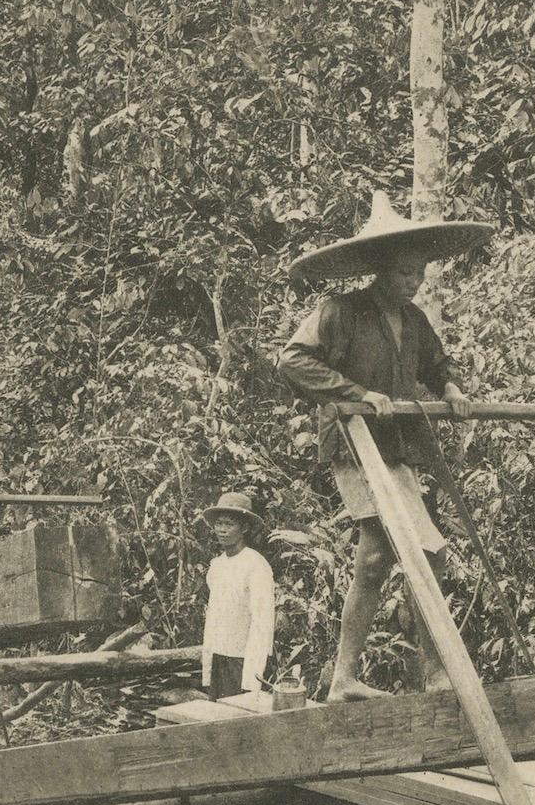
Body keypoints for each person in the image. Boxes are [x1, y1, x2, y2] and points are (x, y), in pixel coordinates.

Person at [276, 192, 495, 698]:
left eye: (418, 273)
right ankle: (352, 677)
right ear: (379, 270)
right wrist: (356, 394)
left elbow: (437, 365)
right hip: (355, 446)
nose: (412, 282)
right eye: (402, 273)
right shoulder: (341, 311)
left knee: (414, 555)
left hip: (398, 449)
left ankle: (418, 672)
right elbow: (292, 360)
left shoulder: (414, 320)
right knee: (386, 553)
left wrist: (452, 390)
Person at [197, 491, 276, 698]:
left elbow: (262, 623)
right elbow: (214, 617)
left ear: (245, 528)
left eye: (229, 524)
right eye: (219, 524)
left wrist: (251, 677)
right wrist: (208, 668)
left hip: (242, 662)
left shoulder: (256, 565)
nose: (222, 530)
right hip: (218, 658)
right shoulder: (217, 565)